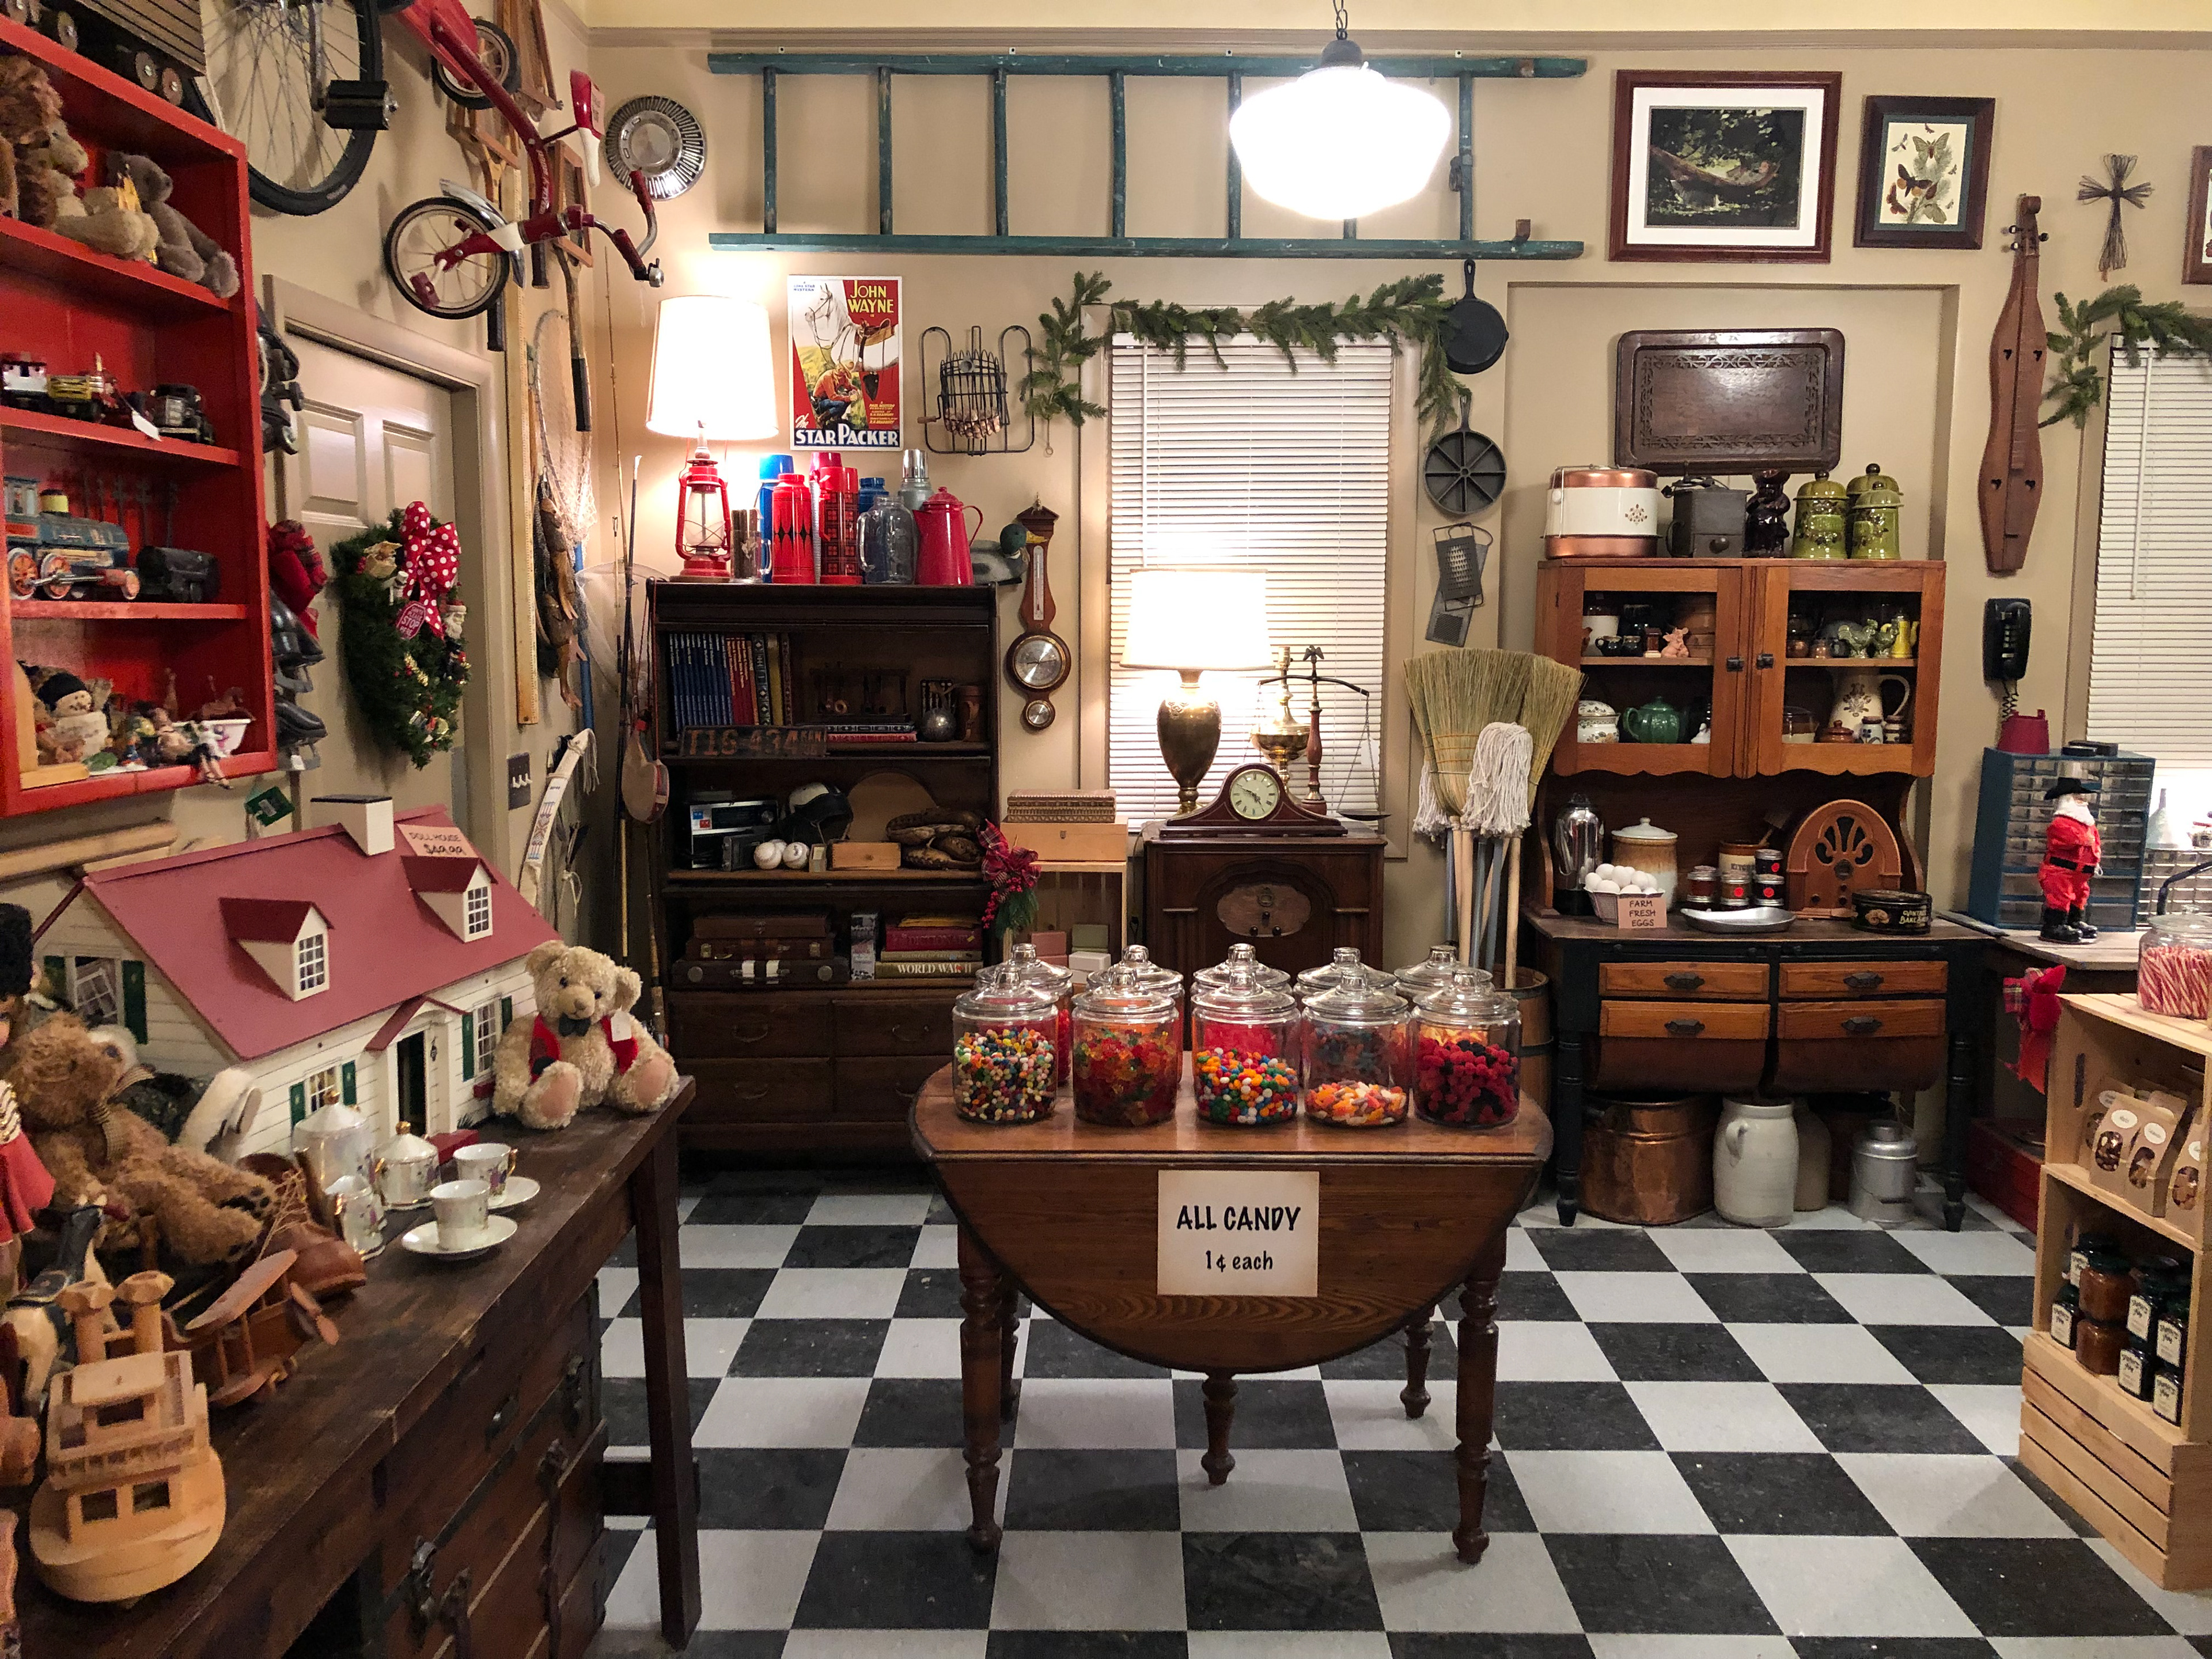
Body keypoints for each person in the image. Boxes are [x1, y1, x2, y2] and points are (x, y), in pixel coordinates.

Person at [2039, 777, 2103, 944]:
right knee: (2060, 897)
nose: (2082, 800)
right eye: (2077, 796)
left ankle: (2073, 922)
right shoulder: (2060, 823)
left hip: (2081, 874)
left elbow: (2094, 843)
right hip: (2061, 872)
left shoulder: (2088, 824)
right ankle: (2054, 926)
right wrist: (2083, 840)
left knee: (2080, 896)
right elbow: (2066, 841)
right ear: (2066, 799)